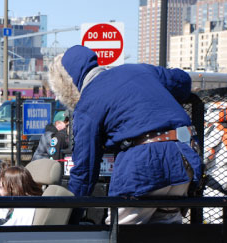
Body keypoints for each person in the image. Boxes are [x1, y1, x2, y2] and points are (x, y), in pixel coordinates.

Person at [48, 45, 202, 225]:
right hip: (185, 156)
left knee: (119, 237)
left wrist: (70, 221)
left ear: (67, 85)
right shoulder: (138, 69)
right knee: (166, 237)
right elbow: (182, 80)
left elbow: (84, 172)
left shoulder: (87, 104)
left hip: (145, 164)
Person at [203, 102, 227, 224]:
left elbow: (205, 156)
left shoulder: (216, 127)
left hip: (217, 179)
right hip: (219, 178)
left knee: (214, 222)